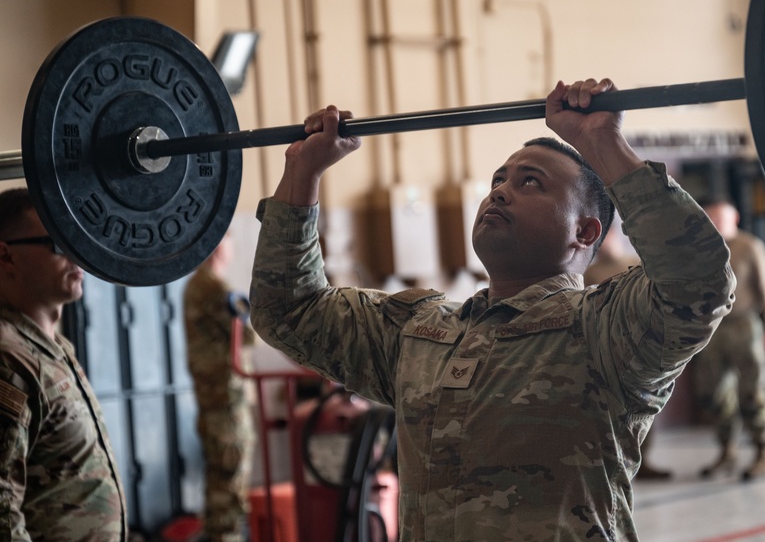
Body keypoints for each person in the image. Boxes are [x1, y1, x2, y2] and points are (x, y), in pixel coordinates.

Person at [249, 78, 736, 540]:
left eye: (531, 183)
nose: (499, 190)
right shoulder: (417, 332)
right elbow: (289, 311)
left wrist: (605, 146)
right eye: (498, 179)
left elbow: (698, 283)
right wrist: (301, 172)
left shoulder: (604, 331)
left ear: (584, 232)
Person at [0, 187, 127, 540]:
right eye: (56, 243)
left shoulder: (53, 346)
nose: (76, 254)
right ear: (6, 257)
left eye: (75, 238)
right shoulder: (9, 357)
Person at [694, 197, 765, 481]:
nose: (716, 224)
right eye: (711, 218)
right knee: (718, 393)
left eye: (721, 218)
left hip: (746, 327)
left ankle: (763, 452)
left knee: (753, 390)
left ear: (735, 219)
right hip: (714, 329)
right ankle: (727, 451)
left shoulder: (750, 247)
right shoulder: (702, 249)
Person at [583, 221, 673, 481]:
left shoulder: (636, 263)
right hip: (604, 348)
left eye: (608, 237)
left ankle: (642, 460)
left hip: (640, 347)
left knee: (644, 406)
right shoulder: (591, 272)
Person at [183, 234, 257, 542]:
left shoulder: (195, 286)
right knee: (230, 480)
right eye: (227, 241)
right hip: (227, 400)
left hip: (214, 399)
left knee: (219, 477)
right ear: (218, 247)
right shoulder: (215, 289)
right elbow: (249, 335)